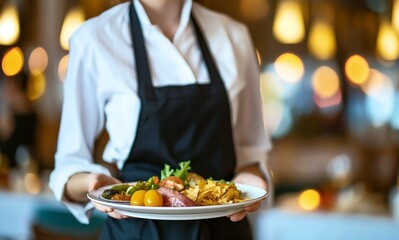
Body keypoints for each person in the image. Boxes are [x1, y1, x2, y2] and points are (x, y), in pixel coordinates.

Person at [49, 0, 272, 239]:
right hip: (137, 231)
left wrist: (251, 179)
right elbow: (69, 166)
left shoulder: (234, 37)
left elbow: (250, 152)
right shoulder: (94, 38)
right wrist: (93, 183)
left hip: (224, 230)